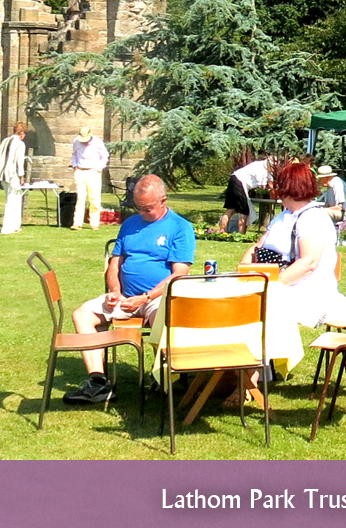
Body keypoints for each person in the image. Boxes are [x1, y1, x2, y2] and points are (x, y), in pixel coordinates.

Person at [64, 176, 196, 404]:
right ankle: (97, 382)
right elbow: (115, 263)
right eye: (139, 208)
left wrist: (145, 298)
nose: (143, 213)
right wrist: (114, 290)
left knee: (162, 319)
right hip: (124, 297)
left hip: (157, 297)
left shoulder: (180, 227)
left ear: (163, 200)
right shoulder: (130, 224)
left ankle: (164, 377)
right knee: (81, 314)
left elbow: (179, 274)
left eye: (148, 209)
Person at [242, 161, 346, 328]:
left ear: (287, 186)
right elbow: (258, 246)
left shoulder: (313, 218)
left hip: (306, 293)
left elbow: (308, 264)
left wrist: (271, 286)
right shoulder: (283, 217)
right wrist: (242, 272)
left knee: (251, 309)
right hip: (278, 284)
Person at [69, 127, 109, 231]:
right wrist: (75, 165)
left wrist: (98, 168)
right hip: (80, 171)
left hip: (93, 171)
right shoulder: (76, 142)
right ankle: (77, 223)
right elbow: (74, 155)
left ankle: (94, 223)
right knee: (80, 198)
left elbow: (104, 156)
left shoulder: (97, 142)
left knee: (94, 198)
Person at [0, 123, 27, 235]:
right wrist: (22, 176)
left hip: (1, 174)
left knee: (17, 199)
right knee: (11, 200)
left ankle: (15, 226)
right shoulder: (20, 144)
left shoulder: (5, 141)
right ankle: (7, 228)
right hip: (11, 175)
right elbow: (19, 162)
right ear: (21, 133)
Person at [221, 158, 270, 232]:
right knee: (244, 211)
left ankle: (222, 231)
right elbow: (265, 185)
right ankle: (241, 234)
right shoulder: (262, 170)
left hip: (233, 179)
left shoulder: (258, 164)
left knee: (231, 209)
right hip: (239, 183)